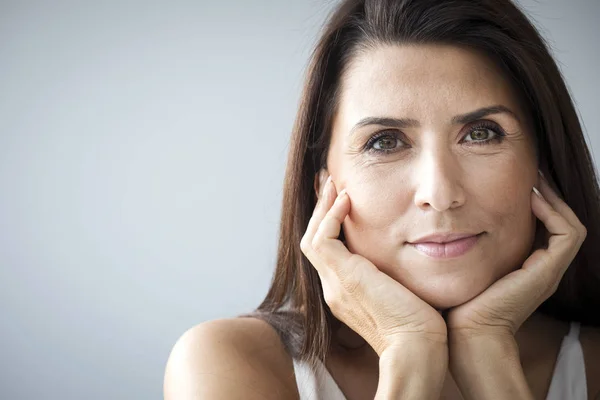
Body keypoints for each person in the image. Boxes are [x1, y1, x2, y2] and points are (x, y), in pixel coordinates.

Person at [164, 0, 600, 398]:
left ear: (543, 165)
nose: (440, 194)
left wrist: (490, 358)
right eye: (385, 141)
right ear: (323, 187)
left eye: (481, 133)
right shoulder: (231, 364)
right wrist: (408, 351)